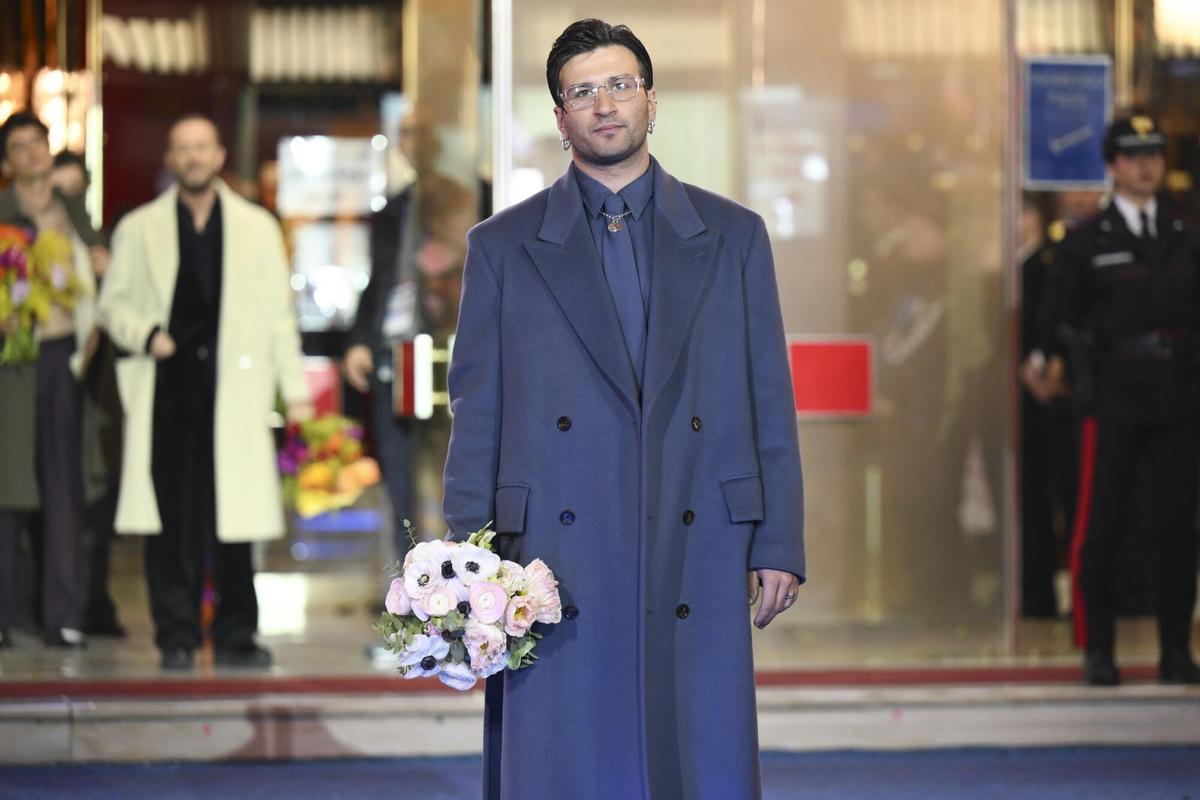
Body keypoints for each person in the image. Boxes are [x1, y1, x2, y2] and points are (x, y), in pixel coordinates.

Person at [442, 19, 805, 799]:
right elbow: (477, 411)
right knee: (563, 757)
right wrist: (463, 562)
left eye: (618, 85)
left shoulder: (733, 235)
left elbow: (766, 394)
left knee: (694, 750)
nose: (603, 104)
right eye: (582, 91)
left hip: (697, 526)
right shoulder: (502, 247)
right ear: (560, 117)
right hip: (547, 550)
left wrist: (778, 536)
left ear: (650, 100)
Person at [98, 114, 312, 670]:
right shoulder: (139, 227)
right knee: (171, 520)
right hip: (168, 390)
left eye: (202, 147)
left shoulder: (256, 226)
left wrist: (298, 394)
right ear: (170, 159)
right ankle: (176, 634)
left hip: (234, 389)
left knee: (235, 518)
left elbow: (277, 320)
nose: (193, 157)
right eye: (181, 148)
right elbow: (112, 304)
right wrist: (146, 335)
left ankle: (238, 633)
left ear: (218, 156)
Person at [1036, 115, 1200, 686]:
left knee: (1178, 528)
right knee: (1100, 527)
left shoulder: (1184, 236)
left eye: (1154, 153)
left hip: (1179, 398)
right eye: (1133, 155)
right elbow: (1055, 323)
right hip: (1113, 399)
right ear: (1113, 165)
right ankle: (1099, 651)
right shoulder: (1087, 242)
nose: (1145, 164)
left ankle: (1176, 650)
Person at [0, 112, 102, 649]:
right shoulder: (3, 215)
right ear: (7, 162)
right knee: (7, 491)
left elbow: (106, 275)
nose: (33, 154)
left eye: (38, 143)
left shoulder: (75, 214)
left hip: (65, 361)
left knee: (64, 490)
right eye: (20, 147)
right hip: (11, 365)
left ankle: (63, 615)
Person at [49, 149, 126, 638]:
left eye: (77, 192)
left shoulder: (104, 247)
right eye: (61, 192)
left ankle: (92, 602)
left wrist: (110, 273)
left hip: (98, 396)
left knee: (96, 502)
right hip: (51, 380)